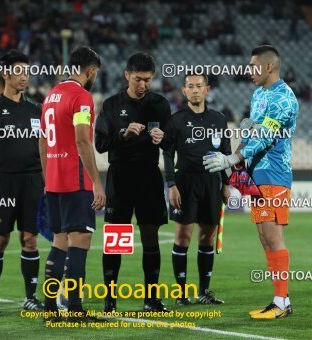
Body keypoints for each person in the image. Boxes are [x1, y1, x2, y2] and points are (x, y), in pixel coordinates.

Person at [203, 45, 299, 319]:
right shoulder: (258, 95)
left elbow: (266, 137)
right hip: (256, 177)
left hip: (274, 175)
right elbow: (251, 134)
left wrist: (231, 159)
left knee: (273, 236)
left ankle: (281, 302)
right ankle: (281, 300)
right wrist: (237, 165)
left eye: (254, 67)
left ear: (269, 67)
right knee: (265, 239)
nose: (249, 72)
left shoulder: (284, 98)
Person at [95, 52, 171, 312]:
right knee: (117, 238)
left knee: (151, 237)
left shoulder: (160, 104)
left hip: (149, 176)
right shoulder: (111, 105)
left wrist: (165, 138)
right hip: (121, 176)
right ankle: (110, 300)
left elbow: (172, 142)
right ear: (127, 75)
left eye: (148, 80)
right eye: (139, 79)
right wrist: (123, 134)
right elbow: (100, 144)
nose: (143, 85)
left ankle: (151, 299)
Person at [40, 46, 106, 320]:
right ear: (90, 71)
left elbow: (42, 141)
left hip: (54, 183)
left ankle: (50, 307)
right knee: (80, 242)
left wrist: (48, 177)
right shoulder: (82, 97)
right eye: (95, 74)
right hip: (76, 182)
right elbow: (82, 139)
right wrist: (97, 182)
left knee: (59, 242)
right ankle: (75, 309)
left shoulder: (50, 97)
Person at [0, 50, 44, 315]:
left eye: (27, 72)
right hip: (3, 183)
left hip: (33, 182)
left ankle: (31, 297)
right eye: (18, 72)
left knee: (30, 239)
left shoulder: (37, 109)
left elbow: (46, 147)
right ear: (5, 74)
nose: (24, 77)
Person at [163, 73, 231, 306]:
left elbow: (225, 153)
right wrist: (171, 184)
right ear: (184, 91)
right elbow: (168, 153)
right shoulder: (176, 120)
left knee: (207, 237)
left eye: (198, 86)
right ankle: (181, 293)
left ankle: (204, 291)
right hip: (185, 183)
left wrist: (227, 184)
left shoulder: (219, 119)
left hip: (211, 183)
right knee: (183, 237)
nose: (194, 90)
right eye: (190, 86)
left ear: (207, 89)